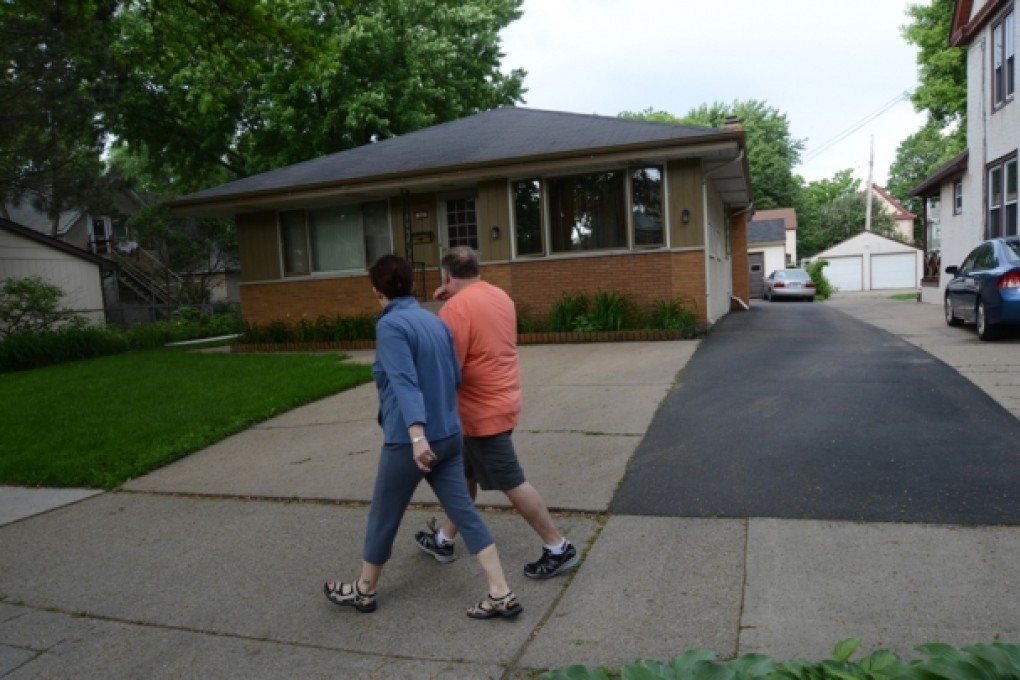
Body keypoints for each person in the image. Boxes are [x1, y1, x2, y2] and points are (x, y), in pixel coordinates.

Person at [323, 254, 521, 620]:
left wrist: (416, 436)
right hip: (448, 434)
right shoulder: (436, 323)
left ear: (376, 290)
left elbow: (403, 382)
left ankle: (364, 591)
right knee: (463, 511)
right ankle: (501, 592)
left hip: (411, 442)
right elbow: (454, 378)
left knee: (384, 513)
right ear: (412, 284)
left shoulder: (391, 326)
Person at [414, 246, 580, 579]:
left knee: (511, 481)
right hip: (503, 401)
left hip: (480, 414)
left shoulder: (455, 309)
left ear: (446, 276)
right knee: (465, 476)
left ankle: (558, 546)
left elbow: (449, 371)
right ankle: (444, 539)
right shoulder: (500, 297)